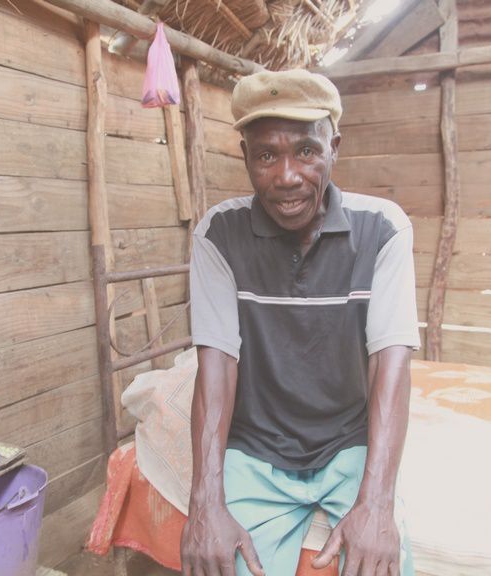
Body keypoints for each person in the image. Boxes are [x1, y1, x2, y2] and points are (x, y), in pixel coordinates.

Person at [182, 69, 420, 576]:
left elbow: (391, 363)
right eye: (267, 154)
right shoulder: (217, 234)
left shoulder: (383, 228)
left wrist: (376, 504)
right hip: (256, 448)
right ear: (244, 154)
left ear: (334, 147)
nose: (287, 176)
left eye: (306, 151)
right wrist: (204, 504)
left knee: (385, 562)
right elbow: (217, 366)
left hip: (348, 442)